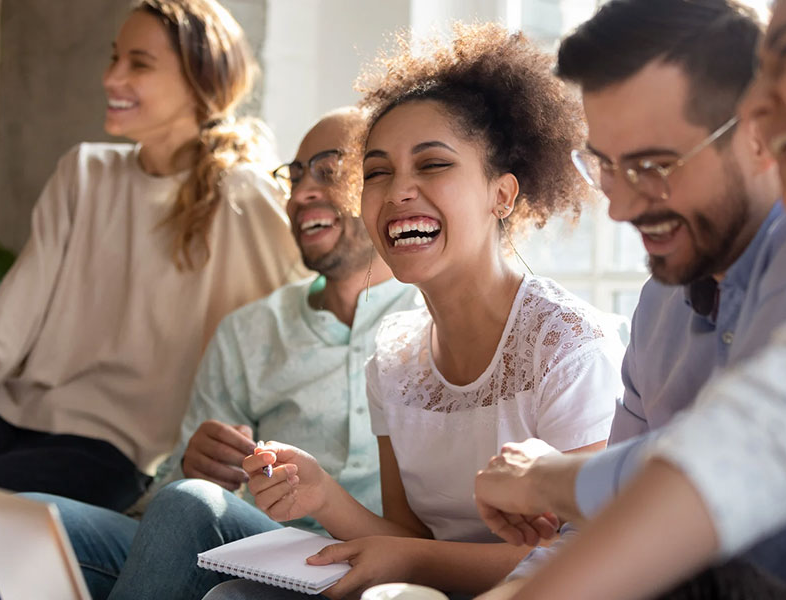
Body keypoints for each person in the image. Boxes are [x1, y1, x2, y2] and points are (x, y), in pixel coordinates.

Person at [205, 22, 624, 600]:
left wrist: (405, 558)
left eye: (432, 164)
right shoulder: (396, 357)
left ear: (502, 194)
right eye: (377, 172)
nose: (398, 190)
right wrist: (322, 494)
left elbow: (591, 558)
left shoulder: (570, 347)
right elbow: (408, 539)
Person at [473, 1, 786, 599]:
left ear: (752, 140)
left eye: (654, 166)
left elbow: (745, 450)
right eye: (604, 165)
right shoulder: (661, 303)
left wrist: (546, 479)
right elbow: (610, 521)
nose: (621, 207)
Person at [0, 107, 421, 600]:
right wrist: (192, 465)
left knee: (192, 506)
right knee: (26, 523)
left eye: (328, 172)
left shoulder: (430, 318)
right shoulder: (251, 330)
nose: (302, 191)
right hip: (260, 544)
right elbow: (168, 495)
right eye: (294, 174)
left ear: (379, 185)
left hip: (369, 563)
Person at [0, 0, 305, 549]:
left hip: (114, 452)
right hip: (7, 413)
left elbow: (288, 326)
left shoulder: (241, 194)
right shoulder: (83, 171)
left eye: (138, 63)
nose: (111, 77)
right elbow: (7, 328)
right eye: (114, 57)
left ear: (200, 81)